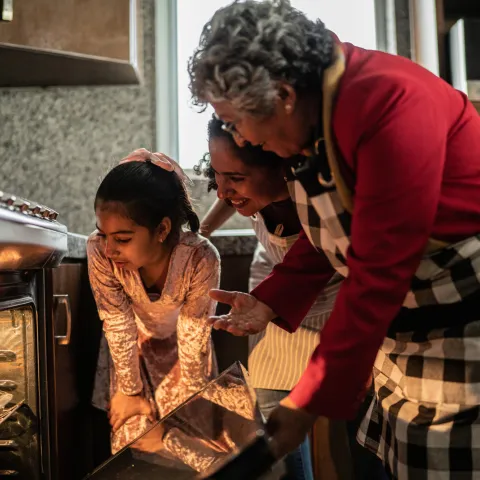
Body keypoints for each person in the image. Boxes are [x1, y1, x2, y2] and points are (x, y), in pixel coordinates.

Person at [187, 0, 480, 478]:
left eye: (239, 124)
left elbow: (379, 268)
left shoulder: (391, 102)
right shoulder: (313, 120)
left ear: (282, 94)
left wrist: (304, 403)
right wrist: (270, 302)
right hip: (407, 341)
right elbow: (337, 232)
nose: (242, 138)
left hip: (464, 340)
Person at [196, 116, 386, 480]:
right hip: (277, 309)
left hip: (338, 309)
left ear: (279, 164)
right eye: (216, 176)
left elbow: (317, 262)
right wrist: (202, 230)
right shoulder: (247, 193)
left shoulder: (322, 202)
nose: (222, 191)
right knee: (272, 423)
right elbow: (227, 194)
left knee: (361, 434)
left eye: (234, 179)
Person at [87, 149, 220, 453]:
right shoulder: (100, 251)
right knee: (134, 442)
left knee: (187, 443)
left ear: (162, 229)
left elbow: (194, 337)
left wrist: (181, 418)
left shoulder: (200, 258)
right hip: (130, 350)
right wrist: (131, 393)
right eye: (102, 234)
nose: (109, 249)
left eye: (122, 239)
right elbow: (118, 322)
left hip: (185, 354)